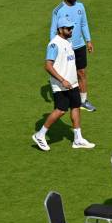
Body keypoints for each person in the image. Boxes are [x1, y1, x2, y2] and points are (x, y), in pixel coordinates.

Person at [32, 17, 95, 151]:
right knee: (61, 110)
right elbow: (48, 66)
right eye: (68, 29)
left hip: (72, 83)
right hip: (61, 85)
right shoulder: (54, 44)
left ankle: (78, 139)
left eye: (71, 28)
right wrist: (62, 80)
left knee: (76, 107)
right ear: (60, 29)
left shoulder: (67, 41)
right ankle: (40, 134)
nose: (71, 30)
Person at [50, 0, 96, 112]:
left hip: (79, 45)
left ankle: (83, 100)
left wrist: (88, 40)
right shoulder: (58, 11)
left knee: (81, 73)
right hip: (65, 49)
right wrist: (55, 49)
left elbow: (84, 24)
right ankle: (63, 101)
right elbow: (53, 31)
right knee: (66, 74)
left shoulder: (80, 6)